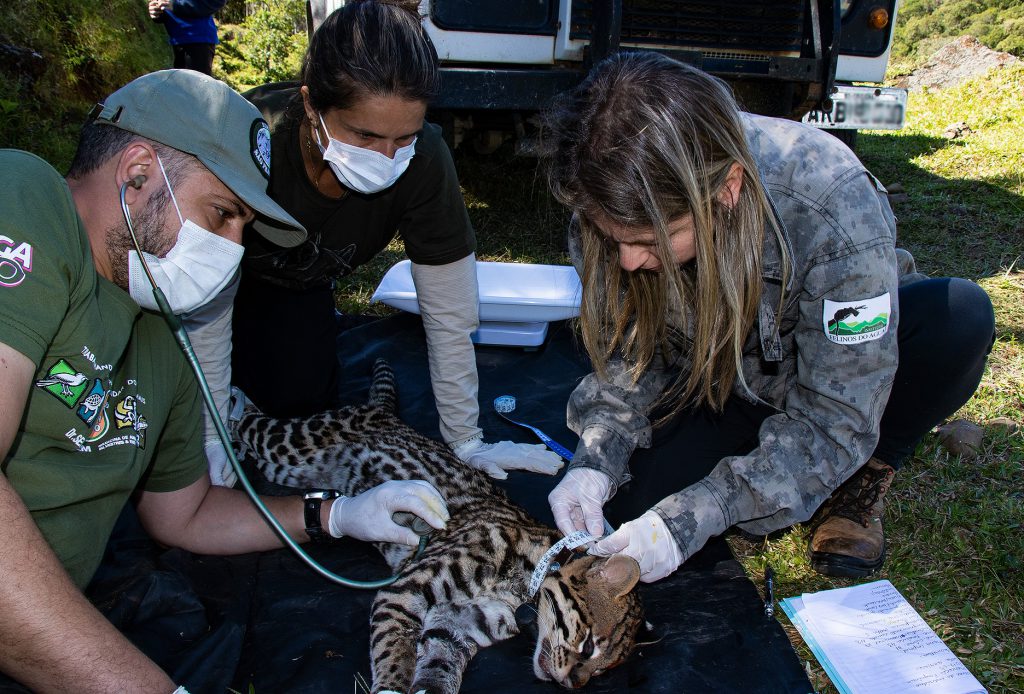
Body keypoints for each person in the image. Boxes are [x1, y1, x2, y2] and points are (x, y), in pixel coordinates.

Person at [0, 68, 449, 692]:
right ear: (136, 175)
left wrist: (335, 515)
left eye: (244, 227)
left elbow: (184, 515)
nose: (235, 249)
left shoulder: (164, 334)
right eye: (222, 214)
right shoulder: (25, 200)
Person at [541, 52, 995, 583]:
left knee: (957, 319)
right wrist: (595, 461)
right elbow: (632, 359)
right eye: (615, 240)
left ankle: (866, 473)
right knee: (638, 502)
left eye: (647, 242)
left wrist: (696, 517)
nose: (629, 262)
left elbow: (836, 414)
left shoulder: (827, 195)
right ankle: (768, 459)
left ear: (726, 192)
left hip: (831, 366)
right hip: (722, 377)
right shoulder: (609, 199)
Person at [190, 0, 563, 486]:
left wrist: (465, 439)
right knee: (163, 396)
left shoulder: (424, 160)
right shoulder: (250, 144)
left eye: (402, 137)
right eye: (364, 135)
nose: (386, 158)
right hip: (209, 281)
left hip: (300, 287)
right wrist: (209, 430)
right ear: (310, 105)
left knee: (298, 399)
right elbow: (206, 295)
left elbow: (450, 313)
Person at [148, 0, 226, 76]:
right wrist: (157, 12)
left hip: (199, 40)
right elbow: (166, 7)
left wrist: (176, 6)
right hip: (176, 40)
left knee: (196, 87)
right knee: (180, 87)